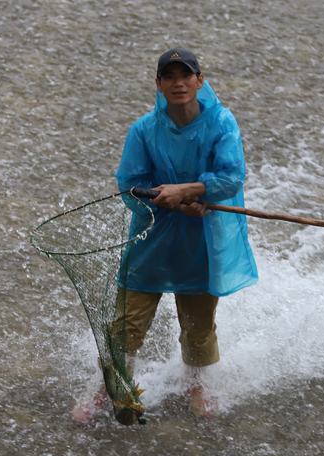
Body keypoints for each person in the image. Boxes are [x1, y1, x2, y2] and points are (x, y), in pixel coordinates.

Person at [72, 48, 258, 422]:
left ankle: (197, 383)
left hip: (203, 239)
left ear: (200, 81)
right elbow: (130, 185)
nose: (178, 83)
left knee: (198, 325)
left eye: (185, 75)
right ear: (158, 84)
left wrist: (190, 190)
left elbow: (231, 177)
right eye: (169, 77)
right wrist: (171, 201)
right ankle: (104, 387)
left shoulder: (222, 123)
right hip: (152, 236)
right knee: (125, 324)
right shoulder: (144, 129)